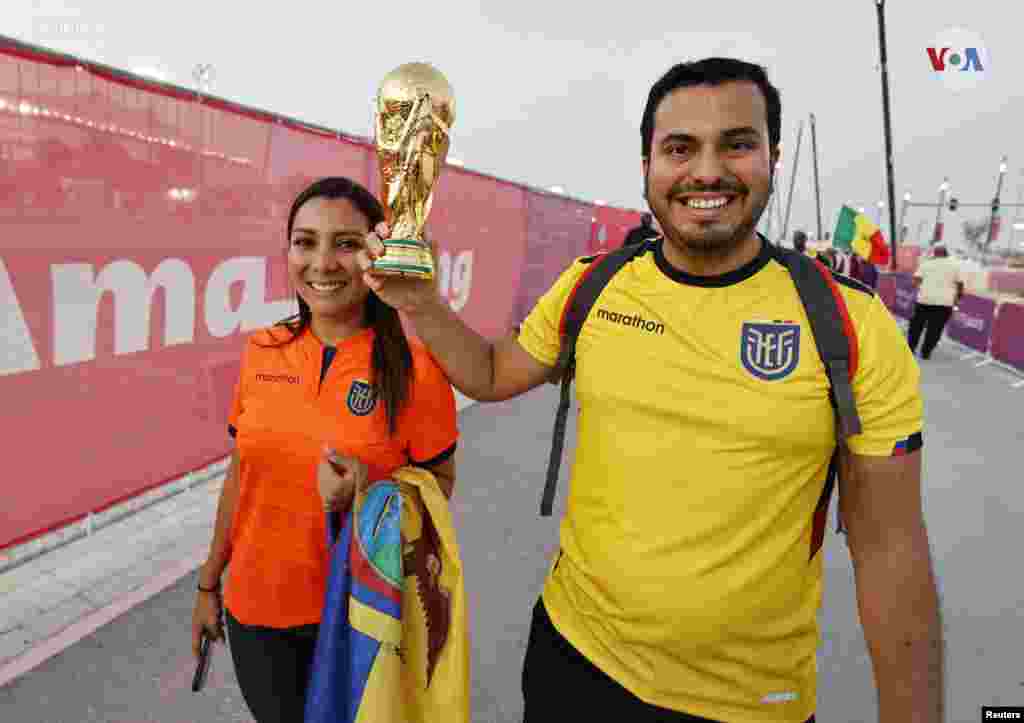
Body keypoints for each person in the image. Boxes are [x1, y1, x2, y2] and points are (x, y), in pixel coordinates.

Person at [346, 58, 941, 723]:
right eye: (679, 148)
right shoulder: (592, 284)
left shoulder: (848, 324)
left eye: (737, 144)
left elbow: (890, 550)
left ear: (773, 157)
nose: (706, 171)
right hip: (573, 664)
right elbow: (488, 372)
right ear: (647, 166)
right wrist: (422, 304)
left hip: (747, 705)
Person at [190, 176, 459, 723]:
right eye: (304, 241)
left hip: (359, 618)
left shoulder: (418, 370)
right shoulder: (262, 349)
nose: (323, 263)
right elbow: (241, 477)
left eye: (346, 243)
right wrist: (208, 583)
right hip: (255, 612)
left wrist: (369, 488)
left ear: (374, 253)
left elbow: (439, 491)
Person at [908, 243, 964, 359]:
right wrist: (958, 299)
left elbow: (915, 281)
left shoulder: (927, 264)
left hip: (924, 300)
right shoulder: (954, 265)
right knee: (935, 329)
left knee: (916, 326)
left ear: (934, 252)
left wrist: (922, 288)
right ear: (946, 253)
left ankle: (910, 348)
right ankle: (926, 352)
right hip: (944, 303)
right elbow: (960, 284)